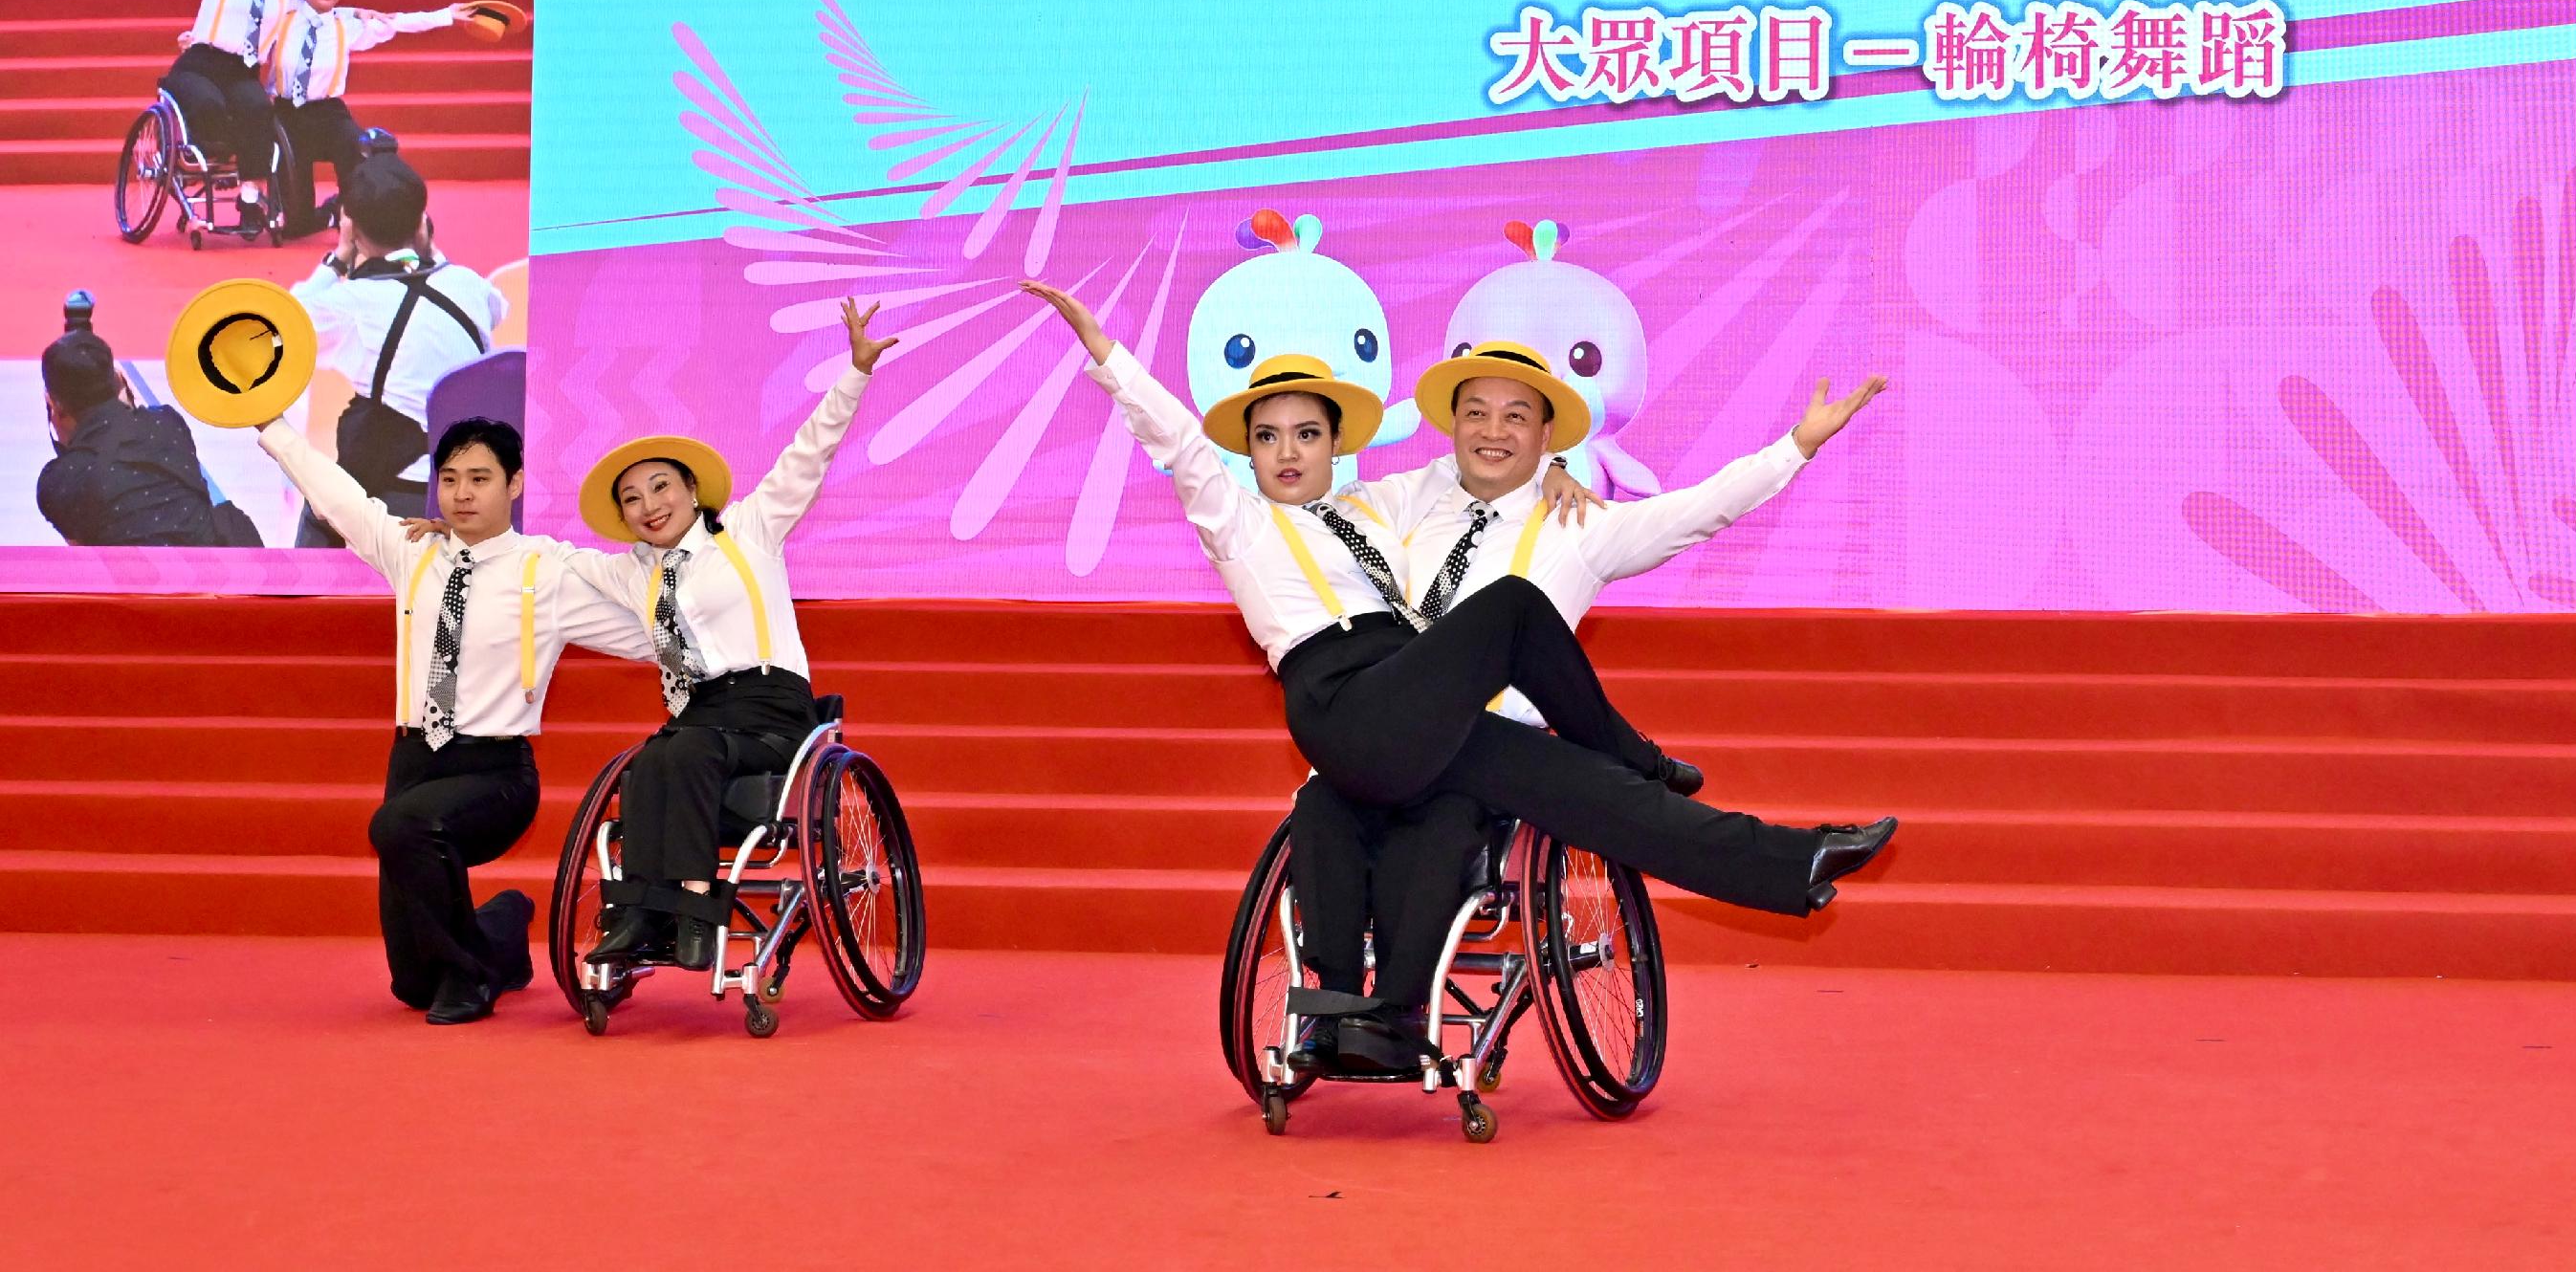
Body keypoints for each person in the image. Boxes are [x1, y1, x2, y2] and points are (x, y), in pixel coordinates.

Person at [1015, 278, 1895, 1076]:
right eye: (1477, 412)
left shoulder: (1415, 508)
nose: (1494, 432)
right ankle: (1638, 755)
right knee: (1511, 618)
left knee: (1591, 801)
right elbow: (1183, 452)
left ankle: (1786, 860)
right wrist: (1109, 353)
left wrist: (1788, 448)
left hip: (1440, 741)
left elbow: (1691, 512)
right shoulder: (1313, 511)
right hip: (1353, 704)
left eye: (1519, 419)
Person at [259, 407, 655, 1021]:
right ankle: (501, 929)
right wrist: (275, 425)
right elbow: (341, 498)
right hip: (414, 761)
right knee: (414, 985)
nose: (462, 494)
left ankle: (470, 978)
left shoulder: (544, 570)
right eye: (450, 479)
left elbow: (642, 635)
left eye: (480, 478)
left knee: (401, 826)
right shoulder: (414, 551)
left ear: (514, 484)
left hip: (496, 773)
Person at [555, 299, 886, 973]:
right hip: (699, 717)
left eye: (660, 486)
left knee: (683, 747)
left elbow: (808, 454)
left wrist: (854, 372)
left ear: (691, 488)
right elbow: (548, 561)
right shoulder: (634, 574)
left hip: (772, 710)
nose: (649, 505)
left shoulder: (750, 529)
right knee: (653, 757)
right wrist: (470, 541)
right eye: (632, 498)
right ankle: (641, 915)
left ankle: (694, 916)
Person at [289, 154, 504, 540]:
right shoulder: (471, 285)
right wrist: (429, 251)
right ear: (422, 223)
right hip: (474, 489)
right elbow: (495, 310)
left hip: (392, 500)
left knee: (317, 501)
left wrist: (338, 261)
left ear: (349, 226)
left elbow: (287, 321)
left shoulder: (350, 304)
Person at [112, 0, 300, 225]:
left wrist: (360, 15)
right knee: (209, 105)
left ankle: (248, 197)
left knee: (258, 107)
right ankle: (211, 158)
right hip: (200, 64)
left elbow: (307, 26)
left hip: (242, 71)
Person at [260, 0, 467, 236]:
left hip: (328, 112)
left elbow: (396, 22)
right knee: (296, 226)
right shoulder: (282, 20)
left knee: (357, 148)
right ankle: (323, 214)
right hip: (286, 114)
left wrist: (446, 16)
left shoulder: (348, 26)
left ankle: (351, 212)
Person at [35, 327, 250, 546]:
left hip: (133, 580)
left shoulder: (58, 482)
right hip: (211, 574)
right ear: (119, 380)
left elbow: (85, 554)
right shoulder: (168, 424)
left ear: (55, 405)